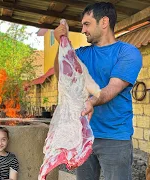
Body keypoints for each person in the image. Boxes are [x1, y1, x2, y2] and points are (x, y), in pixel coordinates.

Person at [53, 2, 142, 180]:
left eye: (87, 24)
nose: (83, 29)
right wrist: (61, 44)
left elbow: (112, 88)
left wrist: (91, 101)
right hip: (85, 136)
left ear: (104, 22)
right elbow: (61, 75)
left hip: (115, 138)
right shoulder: (82, 54)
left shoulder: (128, 53)